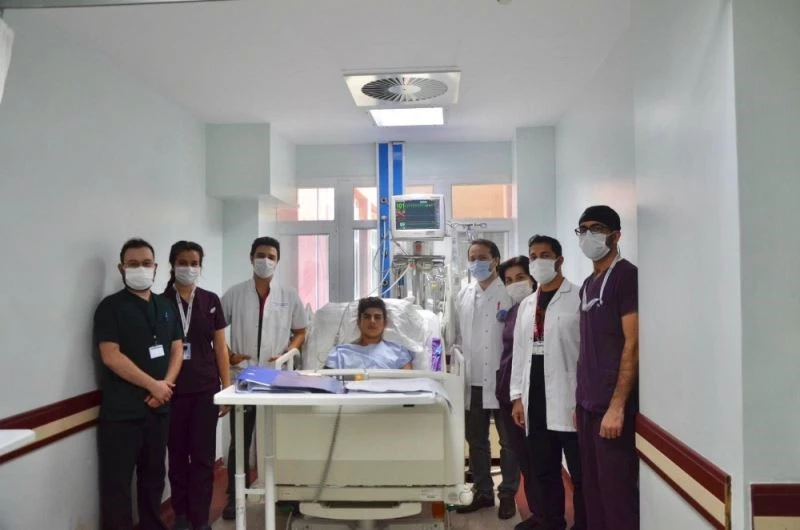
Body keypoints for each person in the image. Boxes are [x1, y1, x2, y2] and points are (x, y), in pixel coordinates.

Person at [93, 238, 183, 530]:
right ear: (121, 268)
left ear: (156, 268)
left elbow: (177, 348)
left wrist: (165, 386)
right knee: (117, 484)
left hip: (158, 410)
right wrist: (153, 386)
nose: (140, 269)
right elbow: (110, 356)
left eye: (146, 263)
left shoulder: (165, 306)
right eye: (133, 264)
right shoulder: (110, 307)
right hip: (122, 414)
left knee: (154, 479)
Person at [221, 236, 309, 520]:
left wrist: (289, 351)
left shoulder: (289, 295)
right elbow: (214, 330)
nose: (265, 261)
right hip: (244, 376)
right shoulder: (234, 294)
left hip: (276, 377)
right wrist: (229, 354)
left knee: (279, 439)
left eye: (271, 256)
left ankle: (286, 496)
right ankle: (235, 496)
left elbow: (301, 331)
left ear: (277, 261)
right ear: (251, 258)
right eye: (261, 255)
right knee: (240, 439)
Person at [510, 235, 586, 530]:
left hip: (570, 396)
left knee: (579, 473)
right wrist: (517, 396)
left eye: (544, 255)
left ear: (559, 260)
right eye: (533, 256)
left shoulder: (578, 297)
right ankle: (552, 522)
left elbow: (587, 353)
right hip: (535, 395)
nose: (538, 261)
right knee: (544, 469)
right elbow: (520, 352)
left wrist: (584, 399)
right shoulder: (527, 304)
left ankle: (583, 524)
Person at [574, 206, 639, 530]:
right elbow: (587, 348)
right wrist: (579, 402)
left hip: (611, 408)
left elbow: (634, 343)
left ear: (616, 235)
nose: (589, 235)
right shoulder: (588, 284)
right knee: (593, 491)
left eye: (597, 228)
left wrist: (617, 406)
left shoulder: (627, 277)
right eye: (583, 229)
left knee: (616, 495)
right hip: (588, 405)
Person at [162, 241, 230, 530]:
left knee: (203, 458)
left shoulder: (210, 300)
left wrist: (226, 389)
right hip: (172, 392)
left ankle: (200, 518)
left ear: (200, 266)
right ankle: (181, 514)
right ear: (172, 265)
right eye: (182, 262)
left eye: (194, 263)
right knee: (177, 456)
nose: (188, 268)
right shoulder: (160, 303)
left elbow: (221, 349)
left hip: (205, 390)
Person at [454, 239, 518, 520]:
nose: (476, 263)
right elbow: (457, 338)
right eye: (472, 257)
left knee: (509, 443)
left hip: (504, 380)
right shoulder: (463, 295)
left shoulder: (510, 294)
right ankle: (483, 492)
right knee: (476, 441)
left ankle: (508, 494)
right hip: (473, 380)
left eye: (482, 257)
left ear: (495, 260)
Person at [495, 256, 545, 530]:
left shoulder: (540, 309)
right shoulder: (516, 310)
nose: (514, 284)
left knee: (537, 461)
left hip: (527, 398)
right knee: (525, 461)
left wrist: (521, 399)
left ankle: (546, 517)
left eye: (520, 278)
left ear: (532, 277)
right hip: (507, 393)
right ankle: (538, 514)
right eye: (509, 280)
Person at [324, 297, 414, 370]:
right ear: (359, 322)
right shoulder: (340, 354)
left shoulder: (398, 352)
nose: (372, 321)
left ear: (385, 323)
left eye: (377, 317)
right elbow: (326, 383)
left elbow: (409, 382)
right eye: (367, 317)